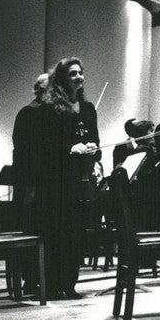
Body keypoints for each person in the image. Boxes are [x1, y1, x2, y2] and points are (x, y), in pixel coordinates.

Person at [38, 57, 100, 299]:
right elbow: (44, 147)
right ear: (63, 79)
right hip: (57, 182)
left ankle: (70, 284)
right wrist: (69, 149)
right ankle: (53, 286)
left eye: (81, 73)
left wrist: (95, 152)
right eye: (73, 73)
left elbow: (96, 140)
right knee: (57, 234)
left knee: (76, 235)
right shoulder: (50, 109)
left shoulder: (88, 109)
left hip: (80, 183)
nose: (79, 77)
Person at [12, 72, 49, 295]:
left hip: (44, 184)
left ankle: (42, 279)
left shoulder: (51, 113)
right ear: (39, 90)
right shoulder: (29, 112)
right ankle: (31, 279)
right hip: (33, 185)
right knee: (33, 231)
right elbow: (22, 150)